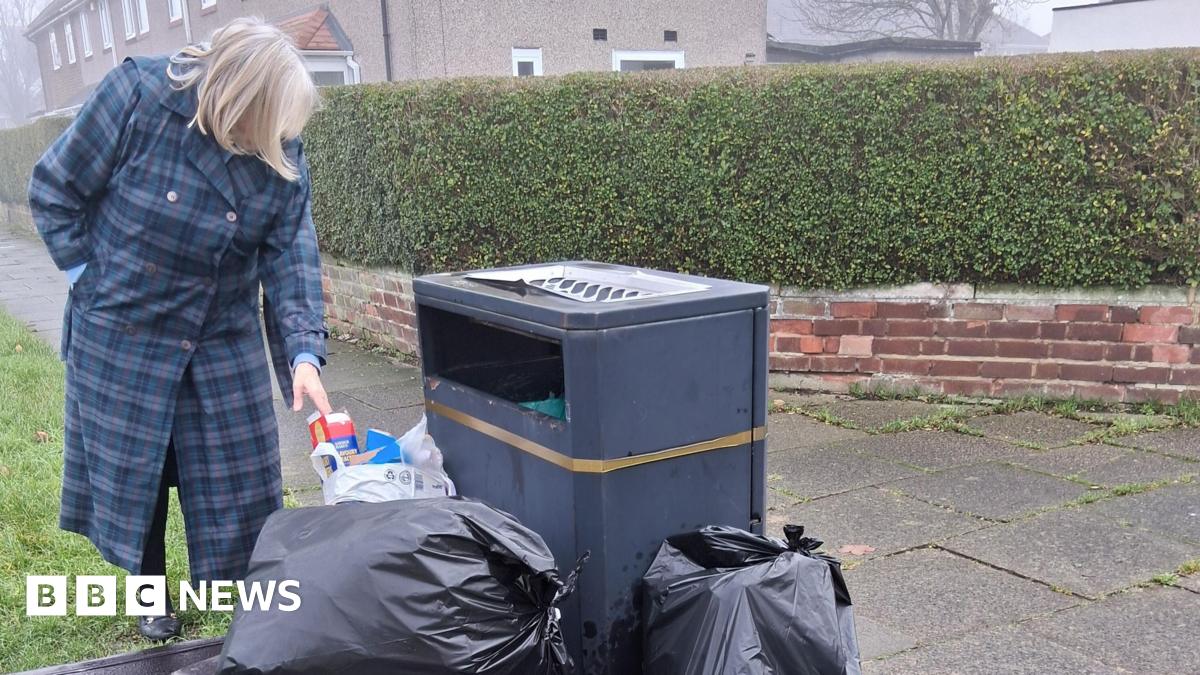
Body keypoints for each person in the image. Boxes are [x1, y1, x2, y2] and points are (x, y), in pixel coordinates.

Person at [28, 17, 332, 641]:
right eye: (267, 122)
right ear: (237, 98)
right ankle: (150, 594)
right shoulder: (137, 96)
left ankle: (245, 600)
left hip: (220, 335)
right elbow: (54, 189)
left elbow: (289, 254)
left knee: (241, 480)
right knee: (140, 476)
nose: (278, 139)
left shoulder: (278, 146)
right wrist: (92, 278)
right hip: (123, 331)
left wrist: (303, 351)